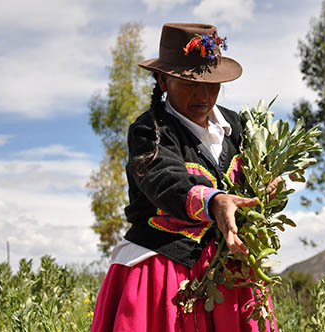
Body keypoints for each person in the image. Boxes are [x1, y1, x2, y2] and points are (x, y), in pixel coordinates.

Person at [91, 23, 279, 332]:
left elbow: (253, 180)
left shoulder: (239, 127)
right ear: (164, 81)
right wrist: (214, 201)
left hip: (231, 274)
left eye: (211, 84)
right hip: (164, 274)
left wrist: (266, 189)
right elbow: (163, 180)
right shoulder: (149, 131)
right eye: (190, 84)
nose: (204, 95)